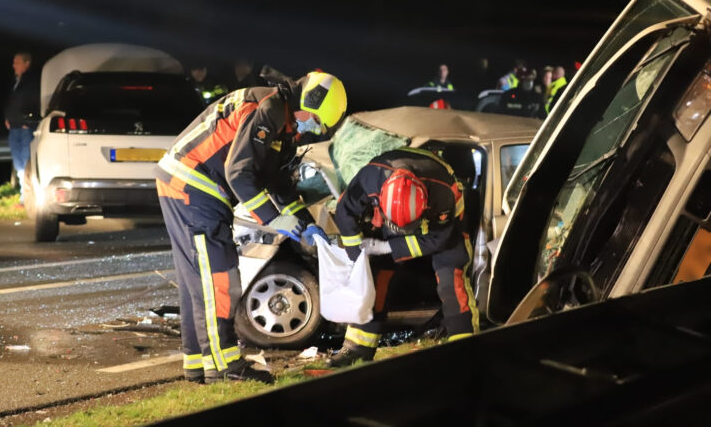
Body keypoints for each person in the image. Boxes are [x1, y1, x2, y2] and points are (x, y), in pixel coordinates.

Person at [155, 71, 347, 384]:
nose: (311, 128)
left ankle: (198, 367)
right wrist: (272, 219)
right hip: (193, 187)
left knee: (198, 282)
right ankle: (224, 368)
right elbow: (239, 174)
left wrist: (304, 224)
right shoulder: (269, 109)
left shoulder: (284, 122)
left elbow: (279, 182)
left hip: (187, 183)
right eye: (314, 119)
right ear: (307, 103)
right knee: (219, 276)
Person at [327, 147, 479, 367]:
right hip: (392, 221)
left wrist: (387, 247)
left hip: (443, 229)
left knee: (451, 278)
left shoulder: (442, 191)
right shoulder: (369, 179)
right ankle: (355, 350)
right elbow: (344, 212)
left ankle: (465, 348)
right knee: (373, 278)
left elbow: (440, 239)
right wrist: (356, 257)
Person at [5, 52, 40, 204]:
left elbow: (36, 102)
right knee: (18, 162)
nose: (14, 65)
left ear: (26, 64)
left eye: (17, 62)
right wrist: (7, 117)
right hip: (14, 126)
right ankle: (24, 194)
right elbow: (10, 101)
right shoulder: (15, 81)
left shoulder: (32, 80)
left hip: (26, 128)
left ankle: (28, 195)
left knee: (26, 161)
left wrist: (29, 120)